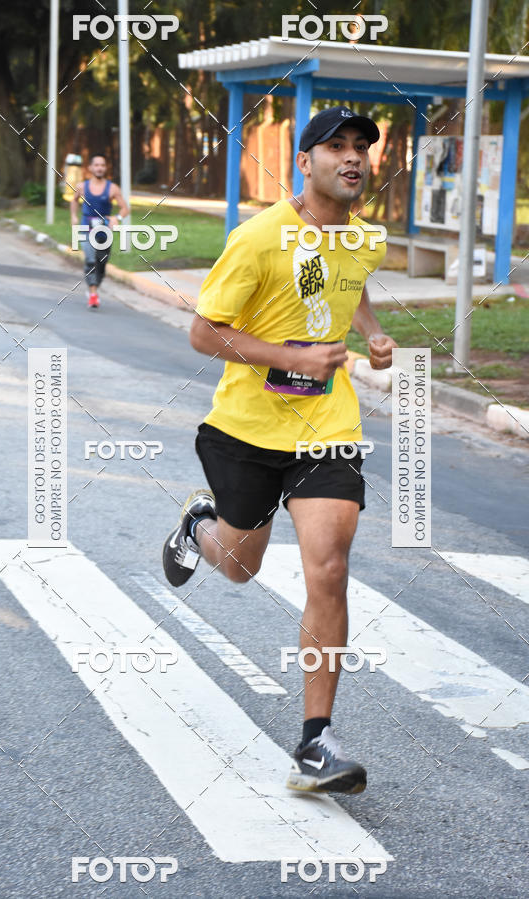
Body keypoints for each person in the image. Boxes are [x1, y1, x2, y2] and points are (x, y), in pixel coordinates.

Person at [162, 107, 398, 795]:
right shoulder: (259, 238)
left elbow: (346, 289)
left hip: (327, 427)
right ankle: (198, 524)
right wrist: (287, 353)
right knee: (237, 565)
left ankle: (315, 742)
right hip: (245, 431)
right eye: (336, 148)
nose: (352, 158)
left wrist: (375, 334)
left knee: (329, 566)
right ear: (305, 162)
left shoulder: (361, 239)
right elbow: (205, 333)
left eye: (361, 148)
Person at [70, 153, 129, 308]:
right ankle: (93, 294)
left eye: (102, 165)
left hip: (104, 231)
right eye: (96, 165)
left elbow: (124, 209)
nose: (99, 168)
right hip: (86, 228)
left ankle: (94, 288)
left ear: (105, 168)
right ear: (90, 168)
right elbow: (74, 201)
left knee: (101, 264)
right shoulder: (82, 186)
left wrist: (117, 218)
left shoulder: (113, 188)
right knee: (90, 260)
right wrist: (74, 217)